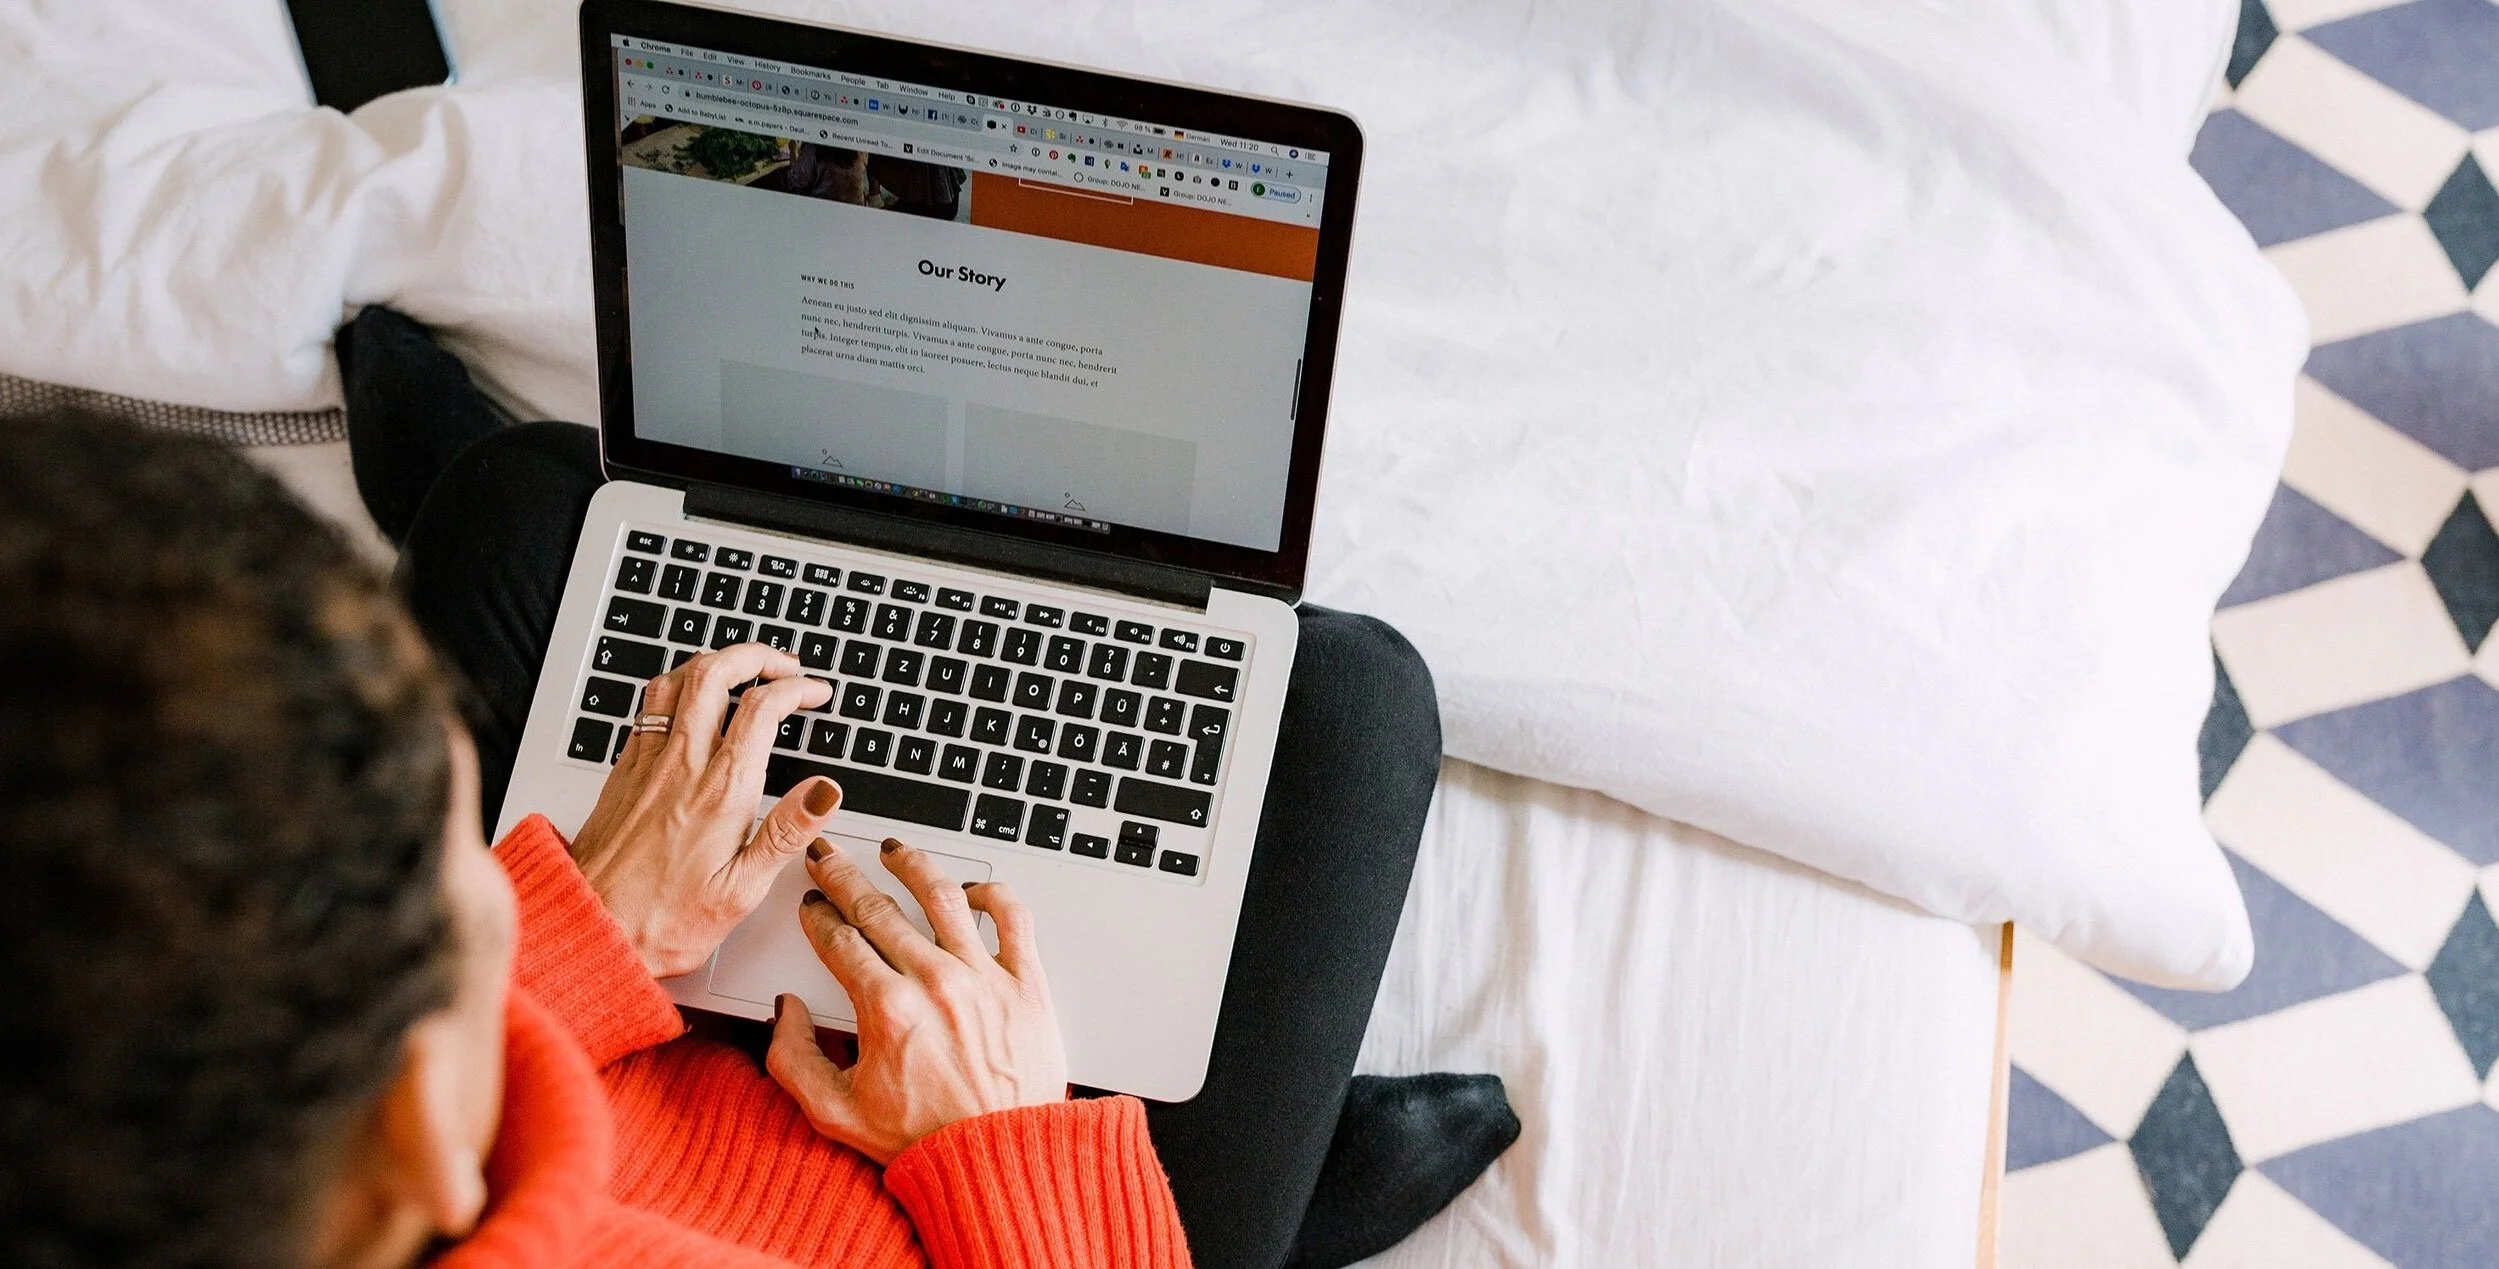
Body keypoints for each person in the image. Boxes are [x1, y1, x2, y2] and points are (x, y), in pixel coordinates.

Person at [0, 316, 1516, 1269]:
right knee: (1350, 706)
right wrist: (998, 1144)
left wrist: (585, 921)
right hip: (936, 1178)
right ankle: (1272, 1197)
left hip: (607, 1069)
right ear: (413, 1128)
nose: (513, 868)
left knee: (531, 502)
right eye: (461, 883)